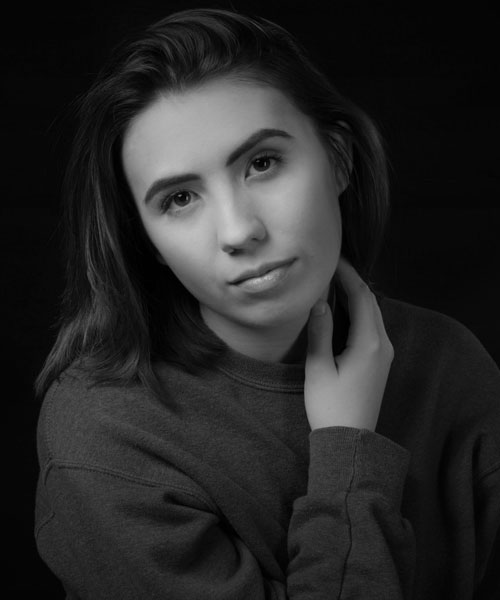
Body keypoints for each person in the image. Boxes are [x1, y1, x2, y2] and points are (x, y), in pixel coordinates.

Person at [34, 7, 499, 599]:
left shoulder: (449, 364)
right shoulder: (106, 435)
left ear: (339, 158)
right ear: (147, 242)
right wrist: (347, 448)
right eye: (180, 199)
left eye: (262, 163)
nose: (239, 232)